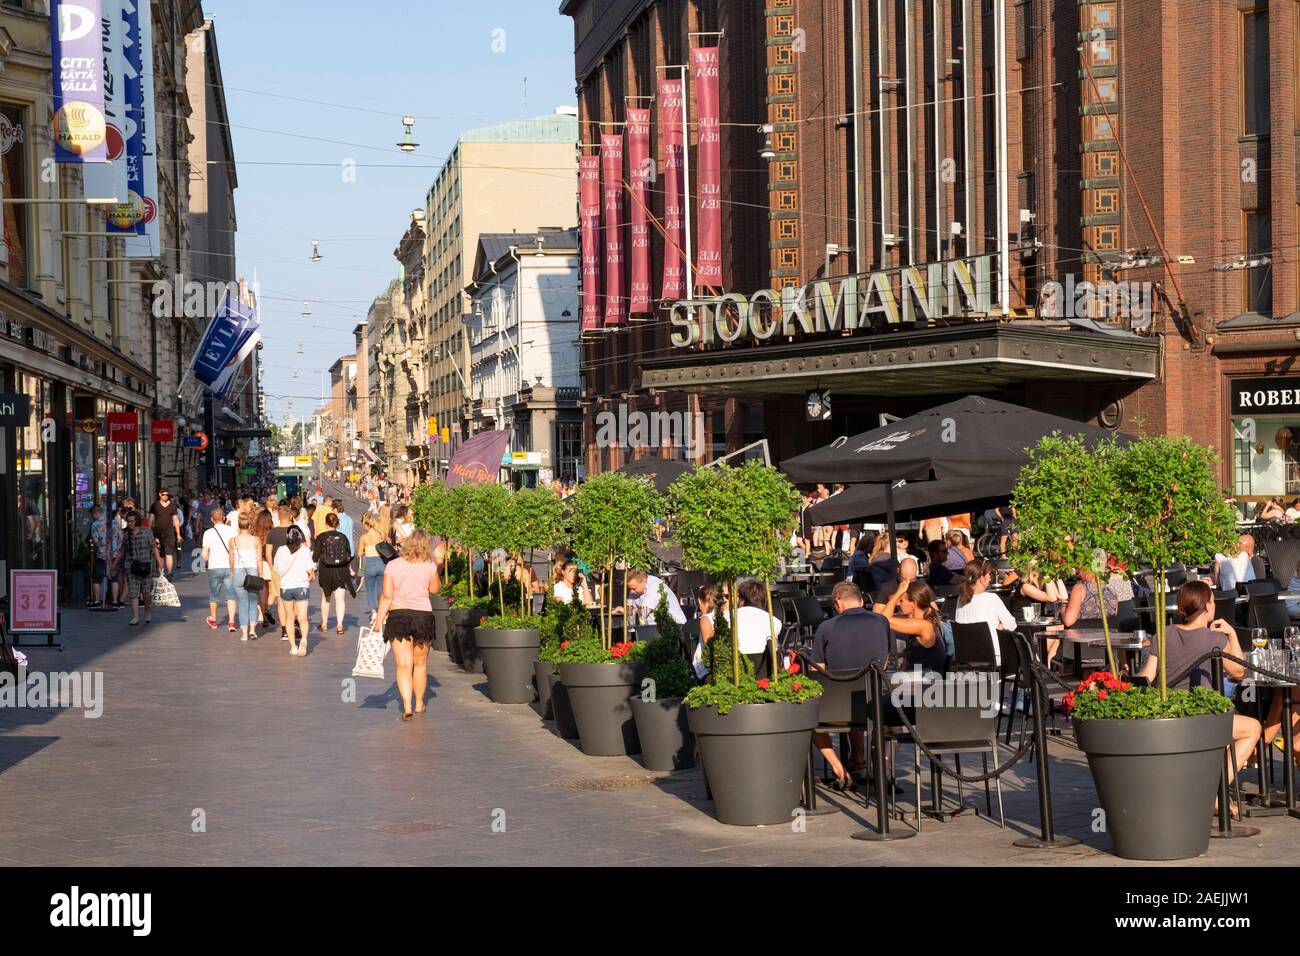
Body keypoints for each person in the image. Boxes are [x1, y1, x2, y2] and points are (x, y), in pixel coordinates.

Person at [1137, 581, 1259, 792]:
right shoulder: (1215, 638)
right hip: (1202, 718)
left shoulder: (1164, 633)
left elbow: (1146, 677)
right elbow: (1238, 672)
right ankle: (1215, 790)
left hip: (1167, 717)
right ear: (1207, 606)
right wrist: (1232, 634)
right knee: (1252, 728)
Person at [807, 581, 892, 790]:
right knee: (858, 693)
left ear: (837, 602)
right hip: (875, 706)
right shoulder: (882, 622)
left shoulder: (826, 628)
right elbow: (885, 661)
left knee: (806, 718)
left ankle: (839, 768)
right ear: (861, 600)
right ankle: (859, 758)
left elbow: (816, 672)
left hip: (836, 710)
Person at [373, 530, 442, 720]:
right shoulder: (429, 565)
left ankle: (407, 704)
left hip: (398, 616)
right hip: (423, 617)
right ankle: (420, 703)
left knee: (403, 664)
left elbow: (387, 595)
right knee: (420, 664)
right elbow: (435, 589)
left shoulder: (393, 565)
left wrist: (379, 620)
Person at [874, 579, 948, 673]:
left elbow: (883, 620)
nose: (899, 604)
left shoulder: (924, 626)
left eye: (902, 600)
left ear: (913, 604)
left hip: (927, 682)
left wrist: (898, 593)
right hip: (918, 679)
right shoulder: (924, 620)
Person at [953, 558, 1017, 665]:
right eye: (989, 575)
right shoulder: (991, 598)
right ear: (982, 578)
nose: (990, 579)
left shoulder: (960, 599)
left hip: (967, 656)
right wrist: (1001, 626)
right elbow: (1011, 624)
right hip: (991, 656)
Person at [274, 526, 316, 656]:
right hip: (301, 587)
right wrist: (311, 576)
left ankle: (293, 647)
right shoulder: (304, 550)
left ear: (287, 536)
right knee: (303, 617)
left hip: (286, 587)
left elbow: (276, 569)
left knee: (289, 618)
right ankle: (303, 639)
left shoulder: (281, 550)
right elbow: (311, 571)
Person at [313, 511, 354, 635]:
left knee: (326, 598)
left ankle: (324, 624)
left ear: (326, 524)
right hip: (341, 570)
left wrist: (314, 568)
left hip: (325, 570)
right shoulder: (343, 537)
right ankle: (340, 625)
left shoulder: (321, 537)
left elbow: (315, 557)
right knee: (340, 598)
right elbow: (349, 554)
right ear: (337, 523)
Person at [228, 511, 264, 642]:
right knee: (253, 602)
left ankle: (244, 633)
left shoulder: (232, 541)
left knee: (243, 604)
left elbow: (231, 559)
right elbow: (259, 560)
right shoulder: (256, 540)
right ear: (250, 525)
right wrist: (261, 574)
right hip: (252, 573)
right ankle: (253, 631)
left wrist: (232, 572)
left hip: (238, 573)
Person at [202, 507, 238, 632]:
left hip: (214, 566)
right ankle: (232, 622)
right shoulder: (232, 531)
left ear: (212, 520)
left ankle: (213, 619)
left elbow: (205, 554)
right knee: (231, 594)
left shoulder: (208, 533)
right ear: (224, 518)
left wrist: (206, 559)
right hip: (229, 565)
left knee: (214, 595)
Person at [123, 510, 161, 627]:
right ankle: (135, 617)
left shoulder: (147, 532)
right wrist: (115, 564)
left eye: (131, 521)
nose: (129, 524)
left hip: (146, 566)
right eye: (128, 521)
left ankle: (147, 610)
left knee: (146, 592)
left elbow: (154, 547)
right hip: (132, 566)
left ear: (137, 521)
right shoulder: (127, 535)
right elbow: (122, 550)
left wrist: (159, 561)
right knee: (133, 593)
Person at [266, 507, 292, 639]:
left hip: (277, 569)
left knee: (281, 600)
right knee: (293, 599)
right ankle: (292, 625)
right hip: (293, 570)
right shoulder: (295, 531)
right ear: (291, 516)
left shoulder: (272, 533)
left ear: (278, 517)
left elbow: (268, 553)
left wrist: (272, 568)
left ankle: (284, 630)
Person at [358, 512, 387, 623]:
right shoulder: (380, 534)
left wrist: (366, 550)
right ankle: (382, 613)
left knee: (369, 590)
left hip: (370, 564)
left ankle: (374, 613)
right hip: (381, 563)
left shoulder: (363, 537)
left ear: (365, 524)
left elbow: (360, 554)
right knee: (381, 590)